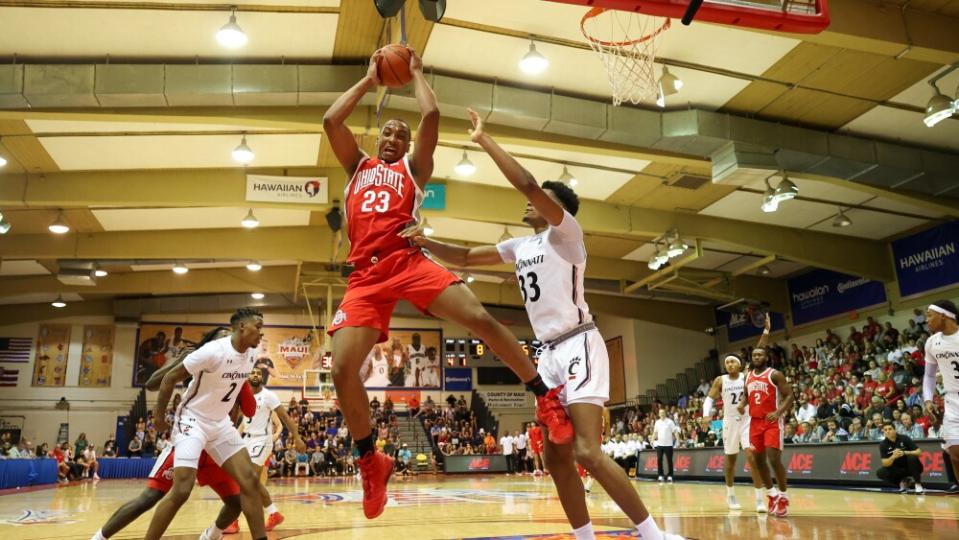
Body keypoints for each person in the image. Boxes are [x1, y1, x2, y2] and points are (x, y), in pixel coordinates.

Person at [405, 108, 684, 539]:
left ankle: (654, 535)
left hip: (579, 344)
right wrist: (426, 243)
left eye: (541, 200)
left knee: (588, 451)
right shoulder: (521, 246)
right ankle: (584, 536)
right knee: (556, 460)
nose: (530, 202)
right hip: (547, 355)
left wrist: (484, 140)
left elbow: (529, 185)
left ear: (554, 207)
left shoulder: (567, 235)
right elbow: (461, 258)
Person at [321, 48, 571, 520]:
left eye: (402, 133)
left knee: (479, 317)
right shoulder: (358, 168)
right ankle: (370, 460)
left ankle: (546, 398)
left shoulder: (412, 171)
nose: (395, 137)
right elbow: (331, 122)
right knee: (341, 370)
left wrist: (414, 73)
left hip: (406, 258)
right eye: (388, 133)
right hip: (365, 275)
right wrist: (369, 82)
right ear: (377, 139)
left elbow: (431, 113)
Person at [145, 308, 268, 540]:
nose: (261, 333)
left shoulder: (251, 355)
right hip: (193, 420)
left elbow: (230, 394)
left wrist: (230, 421)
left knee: (250, 482)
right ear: (242, 327)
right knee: (181, 489)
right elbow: (170, 377)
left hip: (220, 424)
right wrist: (159, 417)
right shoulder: (212, 351)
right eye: (258, 326)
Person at [702, 316, 769, 511]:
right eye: (727, 362)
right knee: (730, 460)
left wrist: (765, 331)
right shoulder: (720, 380)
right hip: (730, 421)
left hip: (748, 420)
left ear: (740, 364)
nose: (730, 364)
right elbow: (710, 399)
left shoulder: (748, 374)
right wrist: (707, 414)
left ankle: (759, 499)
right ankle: (730, 495)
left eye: (733, 362)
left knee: (752, 457)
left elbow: (760, 349)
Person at [227, 368, 306, 534]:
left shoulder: (269, 396)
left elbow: (285, 418)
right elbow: (240, 421)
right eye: (252, 372)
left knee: (246, 480)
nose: (255, 375)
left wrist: (297, 438)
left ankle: (233, 521)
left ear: (261, 377)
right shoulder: (243, 395)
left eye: (258, 373)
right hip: (245, 440)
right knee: (251, 482)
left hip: (262, 440)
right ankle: (273, 513)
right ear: (247, 376)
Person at [738, 338, 795, 518]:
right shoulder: (747, 376)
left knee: (773, 458)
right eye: (754, 355)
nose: (757, 357)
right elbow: (747, 396)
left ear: (766, 357)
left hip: (771, 421)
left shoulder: (775, 374)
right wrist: (741, 404)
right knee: (758, 461)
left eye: (760, 354)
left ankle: (784, 496)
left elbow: (789, 395)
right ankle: (772, 495)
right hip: (754, 422)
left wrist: (778, 413)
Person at [923, 300, 959, 482]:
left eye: (930, 315)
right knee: (954, 453)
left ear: (943, 316)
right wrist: (928, 400)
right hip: (953, 400)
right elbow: (929, 376)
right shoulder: (931, 343)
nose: (926, 320)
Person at [877, 422, 924, 494]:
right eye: (885, 430)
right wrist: (893, 456)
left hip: (912, 467)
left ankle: (918, 484)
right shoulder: (883, 444)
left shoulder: (904, 438)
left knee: (912, 457)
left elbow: (919, 452)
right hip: (898, 470)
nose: (888, 431)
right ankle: (903, 482)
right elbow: (884, 463)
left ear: (895, 430)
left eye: (890, 429)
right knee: (880, 472)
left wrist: (904, 452)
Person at [652, 409, 679, 483]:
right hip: (659, 445)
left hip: (668, 445)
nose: (662, 414)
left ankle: (670, 475)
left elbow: (675, 431)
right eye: (660, 413)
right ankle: (660, 475)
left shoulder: (670, 421)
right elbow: (655, 432)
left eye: (663, 413)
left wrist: (678, 440)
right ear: (658, 414)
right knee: (659, 460)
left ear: (665, 413)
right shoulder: (657, 422)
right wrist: (652, 440)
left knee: (669, 460)